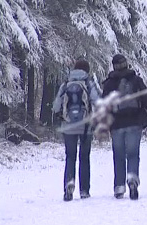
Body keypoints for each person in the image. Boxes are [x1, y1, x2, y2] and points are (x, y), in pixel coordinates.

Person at [102, 54, 147, 200]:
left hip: (116, 124)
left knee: (119, 155)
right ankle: (132, 180)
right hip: (135, 123)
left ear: (114, 66)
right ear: (127, 64)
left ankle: (119, 186)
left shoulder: (109, 84)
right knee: (133, 154)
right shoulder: (136, 80)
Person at [53, 59, 101, 201]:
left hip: (68, 126)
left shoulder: (65, 83)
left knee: (70, 157)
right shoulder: (88, 82)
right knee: (84, 158)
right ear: (87, 70)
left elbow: (56, 106)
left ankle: (69, 182)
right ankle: (84, 190)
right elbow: (97, 102)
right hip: (86, 126)